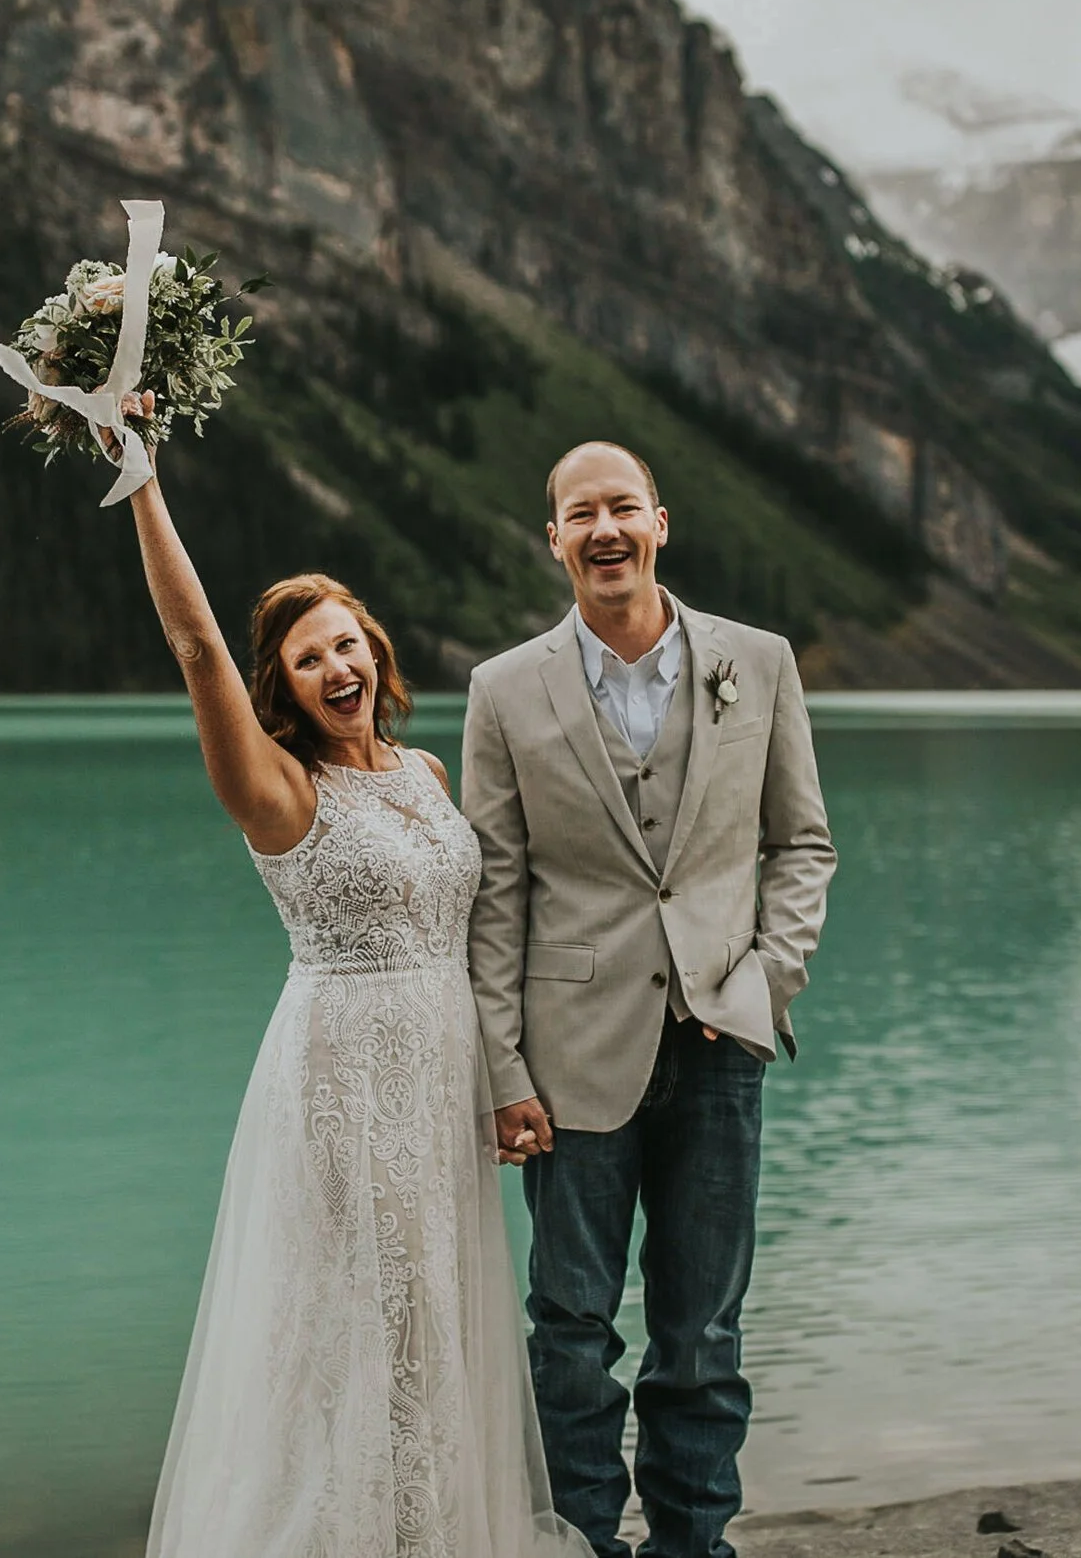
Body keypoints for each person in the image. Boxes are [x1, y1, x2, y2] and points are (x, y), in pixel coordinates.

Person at [122, 394, 590, 1558]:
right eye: (308, 656)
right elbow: (192, 646)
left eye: (348, 642)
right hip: (345, 1073)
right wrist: (139, 473)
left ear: (376, 651)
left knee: (438, 1311)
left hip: (439, 1071)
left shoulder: (425, 769)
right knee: (366, 1315)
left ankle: (430, 1529)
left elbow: (469, 935)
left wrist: (499, 1078)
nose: (337, 664)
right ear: (280, 684)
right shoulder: (280, 791)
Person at [463, 442, 837, 1558]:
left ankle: (692, 1544)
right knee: (572, 1330)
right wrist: (502, 1069)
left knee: (702, 1332)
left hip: (723, 1037)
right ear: (556, 539)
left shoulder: (758, 662)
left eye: (622, 507)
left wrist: (767, 980)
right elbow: (493, 892)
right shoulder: (503, 686)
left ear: (661, 522)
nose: (605, 529)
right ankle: (580, 1542)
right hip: (570, 1055)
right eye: (582, 514)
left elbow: (802, 842)